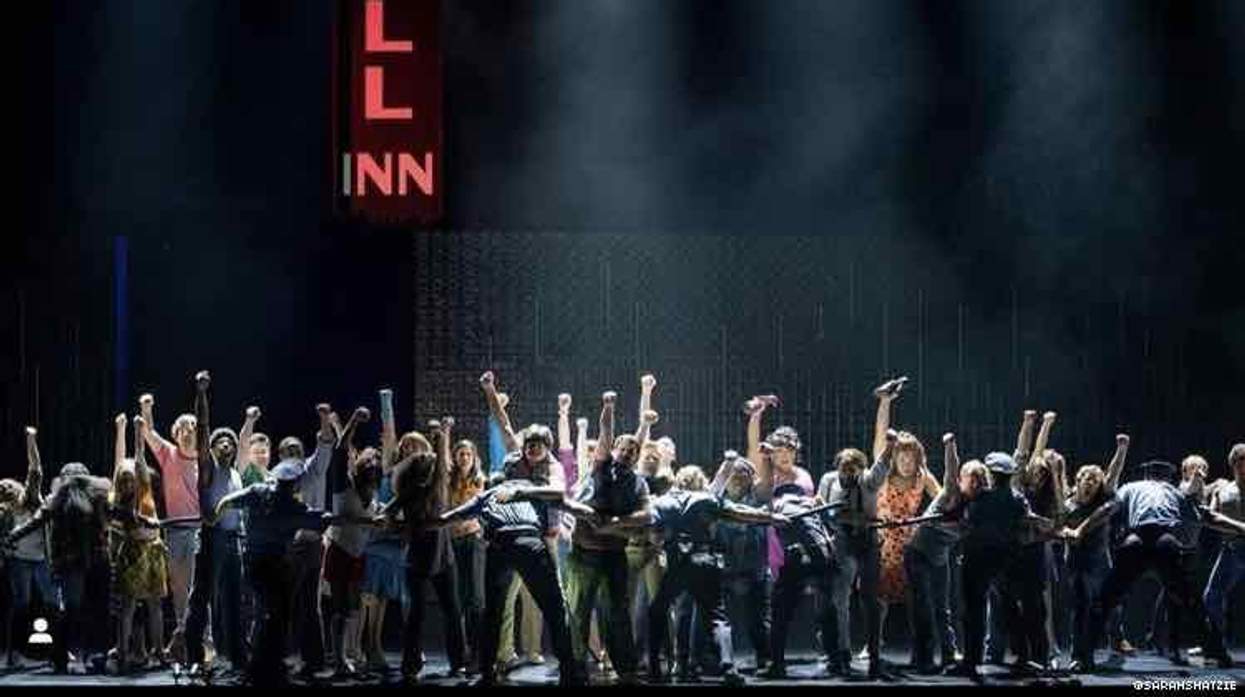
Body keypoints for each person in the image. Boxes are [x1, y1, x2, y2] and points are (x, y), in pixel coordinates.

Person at [606, 459, 788, 686]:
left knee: (657, 611)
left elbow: (645, 521)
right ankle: (729, 667)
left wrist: (612, 524)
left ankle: (655, 667)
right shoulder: (709, 499)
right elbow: (740, 512)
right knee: (717, 618)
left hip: (679, 565)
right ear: (701, 482)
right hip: (707, 562)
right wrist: (772, 518)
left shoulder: (663, 501)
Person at [212, 459, 384, 686]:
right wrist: (369, 521)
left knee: (270, 614)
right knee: (277, 615)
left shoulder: (257, 491)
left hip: (253, 564)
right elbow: (331, 519)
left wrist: (213, 517)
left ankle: (267, 667)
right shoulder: (294, 509)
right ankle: (263, 669)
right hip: (273, 566)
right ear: (295, 485)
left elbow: (226, 501)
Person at [434, 464, 594, 687]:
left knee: (494, 612)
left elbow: (454, 515)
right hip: (529, 543)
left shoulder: (488, 494)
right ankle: (569, 669)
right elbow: (568, 504)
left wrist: (425, 523)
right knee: (555, 609)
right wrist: (594, 515)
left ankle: (487, 669)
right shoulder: (531, 489)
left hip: (500, 545)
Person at [1070, 459, 1235, 670]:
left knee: (1104, 601)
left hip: (1135, 542)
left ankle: (1083, 657)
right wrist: (1240, 527)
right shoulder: (1174, 492)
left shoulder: (1131, 487)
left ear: (1145, 474)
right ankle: (1219, 654)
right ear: (1168, 476)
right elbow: (1206, 517)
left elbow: (1107, 509)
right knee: (1193, 603)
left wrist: (1081, 529)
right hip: (1165, 542)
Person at [4, 428, 111, 675]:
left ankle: (88, 655)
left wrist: (141, 521)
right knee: (71, 610)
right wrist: (12, 536)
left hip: (94, 561)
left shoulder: (96, 498)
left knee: (89, 610)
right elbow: (35, 521)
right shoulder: (57, 500)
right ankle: (64, 656)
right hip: (72, 563)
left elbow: (116, 514)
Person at [563, 386, 650, 684]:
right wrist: (609, 407)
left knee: (617, 614)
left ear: (636, 456)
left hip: (614, 556)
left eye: (632, 450)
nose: (626, 452)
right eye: (622, 448)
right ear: (614, 451)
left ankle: (625, 668)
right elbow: (604, 433)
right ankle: (574, 668)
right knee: (578, 613)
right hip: (584, 554)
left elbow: (646, 514)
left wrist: (615, 523)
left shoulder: (638, 483)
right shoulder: (601, 466)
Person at [384, 416, 468, 682]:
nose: (432, 469)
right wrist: (394, 523)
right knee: (416, 614)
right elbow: (389, 512)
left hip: (443, 557)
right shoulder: (410, 489)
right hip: (418, 559)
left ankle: (458, 662)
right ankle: (410, 666)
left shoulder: (438, 484)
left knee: (452, 610)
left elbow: (442, 466)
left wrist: (441, 436)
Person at [817, 412, 899, 679]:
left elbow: (882, 467)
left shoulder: (867, 480)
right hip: (841, 542)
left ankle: (874, 654)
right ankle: (841, 652)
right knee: (840, 599)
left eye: (853, 467)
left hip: (867, 542)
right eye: (844, 467)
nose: (848, 472)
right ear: (838, 466)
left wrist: (889, 446)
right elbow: (822, 509)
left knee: (870, 600)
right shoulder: (829, 480)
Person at [184, 372, 253, 675]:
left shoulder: (236, 474)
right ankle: (194, 655)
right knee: (201, 600)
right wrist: (201, 394)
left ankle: (237, 657)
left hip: (233, 541)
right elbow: (203, 428)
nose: (226, 445)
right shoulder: (209, 467)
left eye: (230, 442)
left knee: (233, 603)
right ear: (211, 449)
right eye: (219, 442)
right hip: (213, 540)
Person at [137, 381, 203, 661]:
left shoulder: (205, 459)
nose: (188, 433)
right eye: (183, 429)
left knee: (199, 589)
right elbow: (149, 433)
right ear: (176, 435)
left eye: (193, 428)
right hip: (176, 531)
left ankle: (203, 642)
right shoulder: (169, 455)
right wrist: (146, 408)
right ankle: (182, 640)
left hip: (200, 530)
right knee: (179, 589)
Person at [1060, 433, 1130, 672]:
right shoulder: (1068, 503)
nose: (1090, 484)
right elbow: (1057, 523)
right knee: (1081, 608)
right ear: (1078, 481)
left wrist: (1121, 449)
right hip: (1077, 562)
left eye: (1095, 481)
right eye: (1086, 480)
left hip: (1100, 559)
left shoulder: (1103, 499)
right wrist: (1065, 532)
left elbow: (1113, 475)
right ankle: (1080, 656)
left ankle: (1116, 636)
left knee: (1110, 602)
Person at [323, 407, 383, 678]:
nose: (372, 464)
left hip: (359, 553)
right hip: (339, 550)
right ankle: (338, 657)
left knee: (356, 604)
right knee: (340, 605)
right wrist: (353, 422)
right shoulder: (343, 486)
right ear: (359, 467)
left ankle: (353, 653)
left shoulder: (375, 496)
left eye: (375, 462)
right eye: (368, 461)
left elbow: (374, 519)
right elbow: (339, 451)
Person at [108, 414, 169, 674]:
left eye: (133, 474)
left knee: (155, 604)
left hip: (153, 550)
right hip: (134, 553)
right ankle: (123, 651)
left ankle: (158, 651)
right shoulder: (119, 499)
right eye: (125, 476)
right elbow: (120, 463)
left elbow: (136, 458)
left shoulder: (144, 489)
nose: (130, 477)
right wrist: (130, 430)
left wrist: (130, 430)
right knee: (129, 605)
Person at [903, 432, 967, 673]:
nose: (975, 484)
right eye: (971, 479)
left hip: (939, 556)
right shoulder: (951, 493)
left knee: (942, 607)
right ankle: (924, 657)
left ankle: (949, 653)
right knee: (923, 606)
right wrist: (950, 444)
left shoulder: (975, 505)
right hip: (917, 552)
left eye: (980, 480)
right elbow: (952, 469)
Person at [1, 427, 53, 670]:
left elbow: (36, 471)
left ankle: (59, 650)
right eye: (4, 490)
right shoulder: (6, 513)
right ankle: (14, 654)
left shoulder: (32, 500)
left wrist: (31, 439)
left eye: (10, 486)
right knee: (20, 605)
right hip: (20, 561)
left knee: (53, 603)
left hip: (42, 559)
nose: (7, 489)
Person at [1202, 444, 1245, 666]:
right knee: (1212, 596)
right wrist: (1241, 528)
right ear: (1235, 463)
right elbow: (1210, 518)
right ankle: (1216, 647)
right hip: (1233, 548)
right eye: (1242, 460)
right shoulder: (1223, 490)